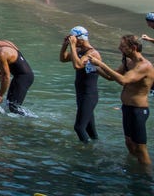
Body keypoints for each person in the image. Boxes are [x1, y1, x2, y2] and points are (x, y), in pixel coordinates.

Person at [90, 34, 154, 166]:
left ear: (134, 47)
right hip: (127, 108)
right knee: (129, 142)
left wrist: (101, 63)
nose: (119, 48)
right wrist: (95, 69)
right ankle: (134, 167)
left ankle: (147, 177)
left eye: (123, 46)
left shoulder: (143, 66)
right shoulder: (129, 62)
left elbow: (123, 80)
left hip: (138, 110)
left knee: (141, 148)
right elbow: (111, 76)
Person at [61, 26, 99, 142]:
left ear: (80, 39)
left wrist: (72, 46)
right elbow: (63, 59)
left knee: (79, 127)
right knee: (89, 128)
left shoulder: (92, 53)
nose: (73, 41)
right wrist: (65, 45)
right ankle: (96, 147)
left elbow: (77, 65)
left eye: (74, 39)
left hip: (89, 95)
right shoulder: (79, 51)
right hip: (81, 94)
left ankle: (87, 151)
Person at [0, 34, 35, 114]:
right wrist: (3, 70)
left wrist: (0, 95)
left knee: (14, 108)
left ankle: (29, 122)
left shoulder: (1, 54)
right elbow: (15, 55)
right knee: (10, 104)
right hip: (23, 75)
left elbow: (6, 77)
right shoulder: (6, 43)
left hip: (23, 78)